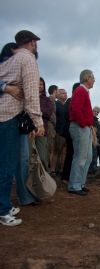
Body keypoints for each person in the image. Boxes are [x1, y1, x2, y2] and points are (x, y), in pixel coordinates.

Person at [0, 30, 44, 226]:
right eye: (36, 42)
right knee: (7, 165)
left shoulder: (10, 59)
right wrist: (38, 122)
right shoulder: (28, 60)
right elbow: (32, 95)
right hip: (9, 116)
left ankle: (5, 205)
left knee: (6, 163)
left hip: (4, 113)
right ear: (32, 43)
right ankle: (2, 210)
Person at [68, 70, 95, 195]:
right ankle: (74, 185)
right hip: (80, 127)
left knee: (88, 157)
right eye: (93, 78)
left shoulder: (84, 91)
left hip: (85, 128)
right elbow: (76, 109)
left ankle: (80, 183)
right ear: (87, 78)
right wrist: (84, 123)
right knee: (80, 157)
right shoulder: (80, 91)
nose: (94, 80)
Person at [32, 77, 54, 171]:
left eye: (41, 84)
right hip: (28, 130)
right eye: (37, 83)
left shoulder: (47, 100)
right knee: (28, 156)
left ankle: (44, 178)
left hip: (42, 130)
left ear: (44, 86)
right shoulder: (29, 97)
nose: (39, 86)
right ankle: (29, 180)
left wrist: (35, 110)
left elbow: (48, 113)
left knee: (42, 155)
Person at [61, 82, 80, 184]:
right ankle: (66, 177)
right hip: (71, 130)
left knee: (71, 154)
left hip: (71, 130)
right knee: (71, 154)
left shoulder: (71, 101)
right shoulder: (70, 101)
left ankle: (67, 176)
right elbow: (68, 116)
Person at [51, 88, 67, 175]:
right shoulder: (55, 104)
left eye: (65, 93)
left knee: (64, 151)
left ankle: (61, 169)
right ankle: (53, 169)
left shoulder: (67, 105)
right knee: (56, 150)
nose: (65, 94)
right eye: (62, 93)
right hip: (58, 130)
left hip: (66, 132)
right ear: (58, 95)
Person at [89, 106, 100, 176]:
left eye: (97, 112)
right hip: (93, 139)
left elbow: (98, 130)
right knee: (93, 155)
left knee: (95, 155)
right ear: (92, 111)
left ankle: (93, 169)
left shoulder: (96, 120)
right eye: (95, 111)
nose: (96, 113)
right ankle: (92, 170)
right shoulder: (91, 119)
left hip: (98, 139)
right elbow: (93, 130)